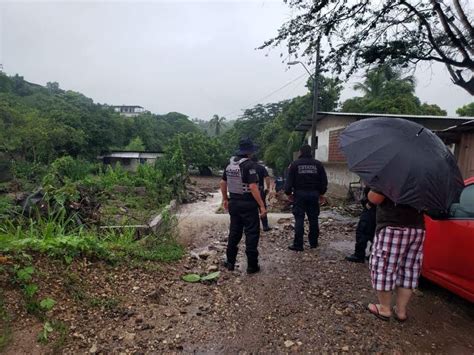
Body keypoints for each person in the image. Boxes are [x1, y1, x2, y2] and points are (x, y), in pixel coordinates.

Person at [366, 190, 425, 322]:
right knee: (409, 269)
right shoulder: (425, 176)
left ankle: (384, 309)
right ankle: (401, 311)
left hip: (393, 225)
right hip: (417, 228)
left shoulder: (392, 173)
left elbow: (375, 198)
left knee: (384, 265)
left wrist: (370, 192)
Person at [220, 138, 267, 274]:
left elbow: (223, 183)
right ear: (249, 152)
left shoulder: (229, 165)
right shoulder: (249, 165)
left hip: (233, 202)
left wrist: (225, 199)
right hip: (248, 204)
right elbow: (253, 186)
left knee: (234, 232)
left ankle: (230, 262)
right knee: (251, 233)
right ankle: (252, 265)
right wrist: (262, 206)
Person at [284, 144, 328, 251]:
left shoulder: (294, 165)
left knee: (299, 219)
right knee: (313, 219)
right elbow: (324, 181)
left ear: (300, 152)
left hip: (299, 195)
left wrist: (288, 194)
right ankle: (313, 243)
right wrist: (321, 193)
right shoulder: (318, 164)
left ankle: (298, 245)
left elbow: (289, 181)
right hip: (314, 195)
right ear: (311, 152)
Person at [345, 186, 376, 263]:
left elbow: (376, 195)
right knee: (374, 233)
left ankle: (359, 255)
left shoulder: (378, 182)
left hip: (372, 210)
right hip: (379, 212)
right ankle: (372, 255)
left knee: (362, 231)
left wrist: (369, 204)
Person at [251, 156, 272, 231]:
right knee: (262, 207)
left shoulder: (248, 167)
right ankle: (265, 226)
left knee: (251, 209)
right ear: (257, 161)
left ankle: (252, 227)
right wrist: (268, 188)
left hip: (250, 191)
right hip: (260, 190)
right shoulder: (261, 168)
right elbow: (267, 177)